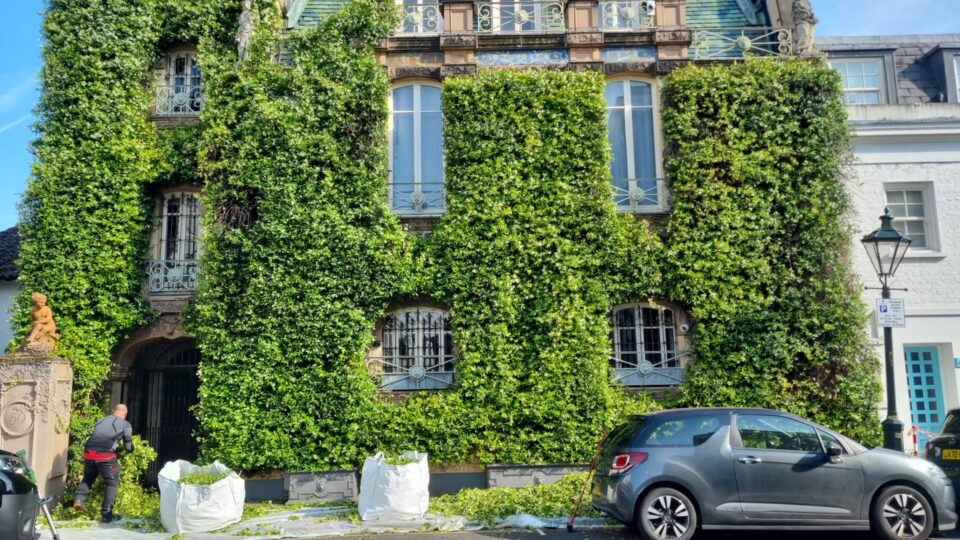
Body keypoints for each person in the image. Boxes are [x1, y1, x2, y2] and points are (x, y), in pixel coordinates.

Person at [72, 404, 134, 523]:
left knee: (88, 477)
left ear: (113, 411)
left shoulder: (101, 420)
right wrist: (130, 449)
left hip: (88, 453)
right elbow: (128, 446)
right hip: (105, 456)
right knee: (112, 483)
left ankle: (79, 500)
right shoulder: (126, 424)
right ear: (125, 414)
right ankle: (106, 514)